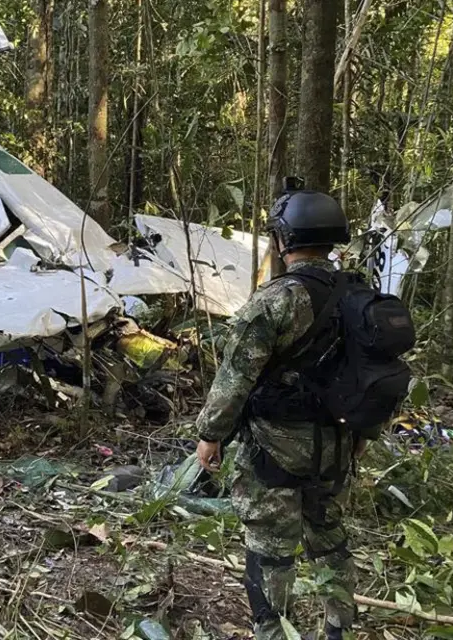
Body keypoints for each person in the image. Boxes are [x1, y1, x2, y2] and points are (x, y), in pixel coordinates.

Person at [194, 182, 367, 640]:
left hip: (276, 446)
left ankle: (274, 632)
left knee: (271, 547)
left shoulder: (277, 299)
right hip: (337, 443)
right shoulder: (356, 295)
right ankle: (338, 629)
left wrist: (210, 434)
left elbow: (235, 379)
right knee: (329, 538)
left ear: (284, 239)